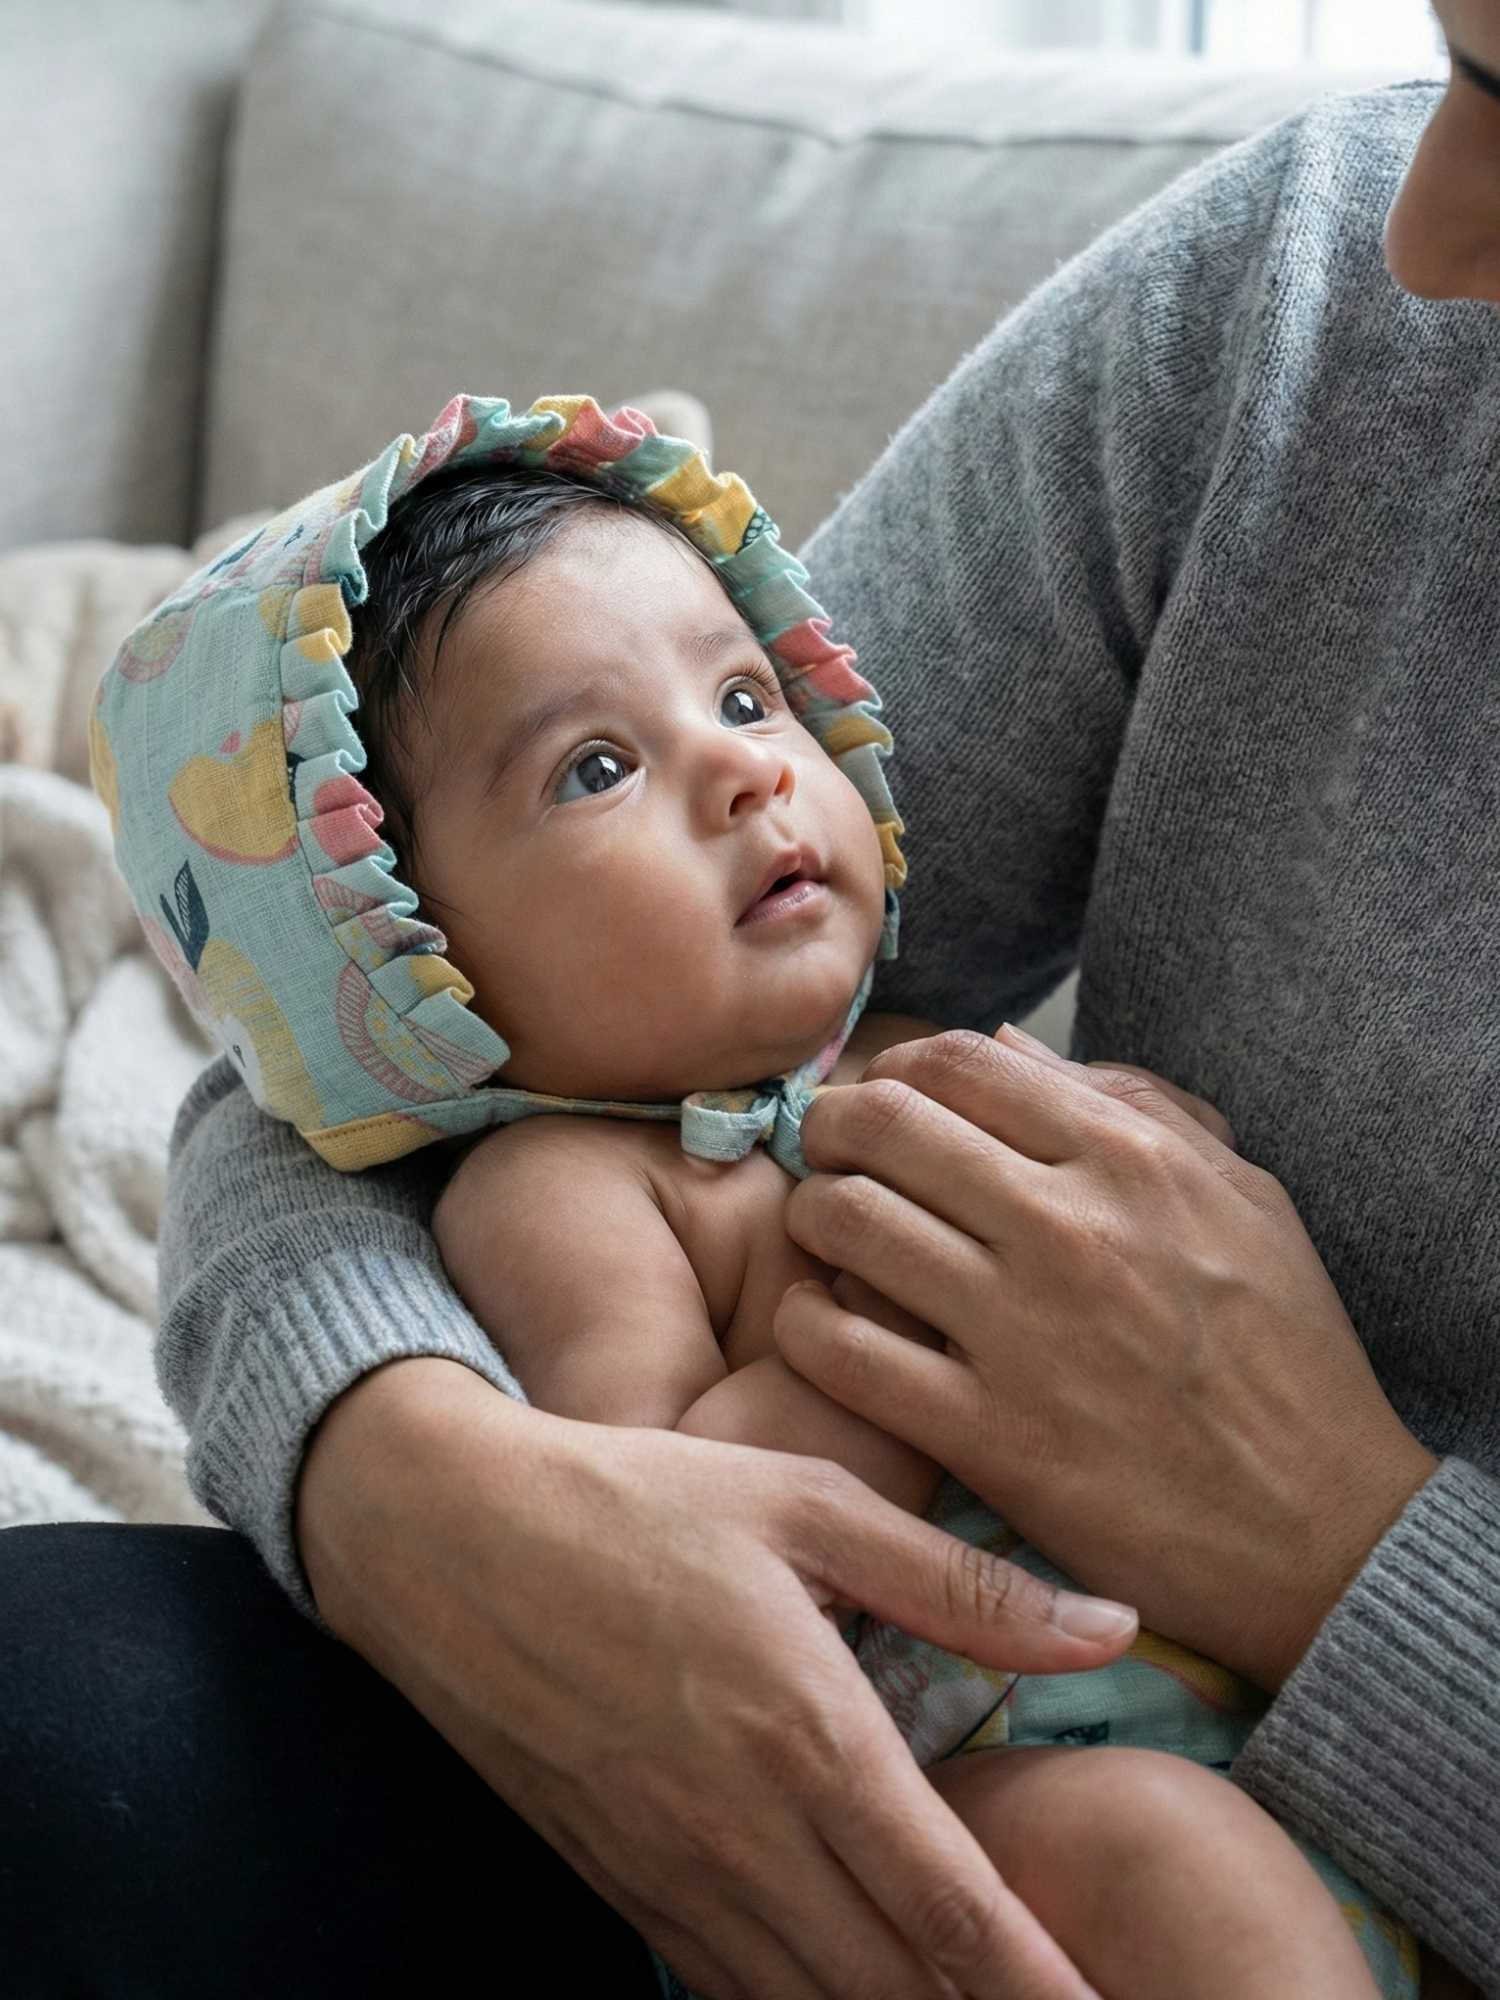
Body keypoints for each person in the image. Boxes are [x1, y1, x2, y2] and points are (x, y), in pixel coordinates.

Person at [4, 6, 1498, 1994]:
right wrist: (399, 1465)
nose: (1431, 231)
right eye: (1467, 68)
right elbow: (363, 1120)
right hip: (986, 1761)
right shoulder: (1298, 299)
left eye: (743, 699)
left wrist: (1335, 1546)